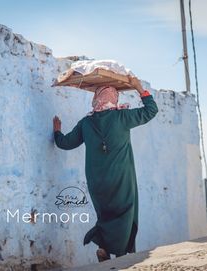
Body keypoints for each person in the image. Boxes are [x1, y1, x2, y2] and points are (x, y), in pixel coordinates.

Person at [53, 76, 158, 262]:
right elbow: (151, 110)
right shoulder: (123, 117)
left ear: (97, 98)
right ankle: (121, 253)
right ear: (113, 98)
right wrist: (138, 87)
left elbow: (65, 144)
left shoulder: (86, 123)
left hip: (96, 182)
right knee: (125, 213)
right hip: (121, 179)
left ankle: (103, 248)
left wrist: (57, 131)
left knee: (106, 215)